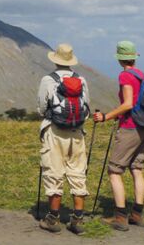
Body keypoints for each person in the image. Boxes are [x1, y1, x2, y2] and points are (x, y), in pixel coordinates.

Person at [93, 41, 144, 231]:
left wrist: (106, 117)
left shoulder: (125, 75)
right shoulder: (142, 75)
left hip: (130, 128)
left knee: (115, 171)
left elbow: (127, 104)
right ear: (134, 57)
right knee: (137, 169)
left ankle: (120, 217)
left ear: (119, 59)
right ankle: (137, 214)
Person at [37, 43, 90, 235]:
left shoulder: (48, 80)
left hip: (54, 131)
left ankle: (53, 219)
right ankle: (77, 220)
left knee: (54, 172)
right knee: (77, 173)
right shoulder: (81, 80)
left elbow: (42, 107)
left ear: (55, 59)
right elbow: (87, 107)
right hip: (77, 132)